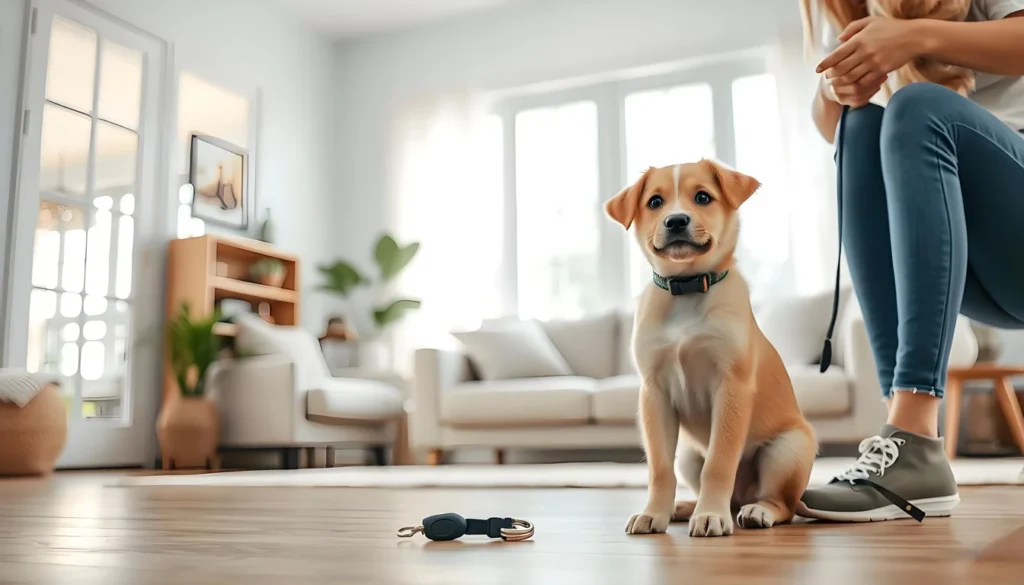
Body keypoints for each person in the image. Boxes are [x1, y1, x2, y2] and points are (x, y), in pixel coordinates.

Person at [796, 0, 1024, 522]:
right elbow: (832, 127)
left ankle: (915, 436)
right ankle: (903, 447)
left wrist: (914, 37)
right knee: (859, 130)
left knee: (917, 106)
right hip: (979, 258)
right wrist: (836, 89)